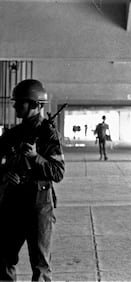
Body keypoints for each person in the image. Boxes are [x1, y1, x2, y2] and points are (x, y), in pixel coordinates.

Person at [0, 79, 65, 281]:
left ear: (36, 105)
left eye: (21, 103)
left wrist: (35, 157)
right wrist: (5, 173)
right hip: (13, 202)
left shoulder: (48, 134)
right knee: (3, 258)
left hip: (39, 204)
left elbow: (58, 172)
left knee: (40, 265)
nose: (15, 106)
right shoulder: (12, 134)